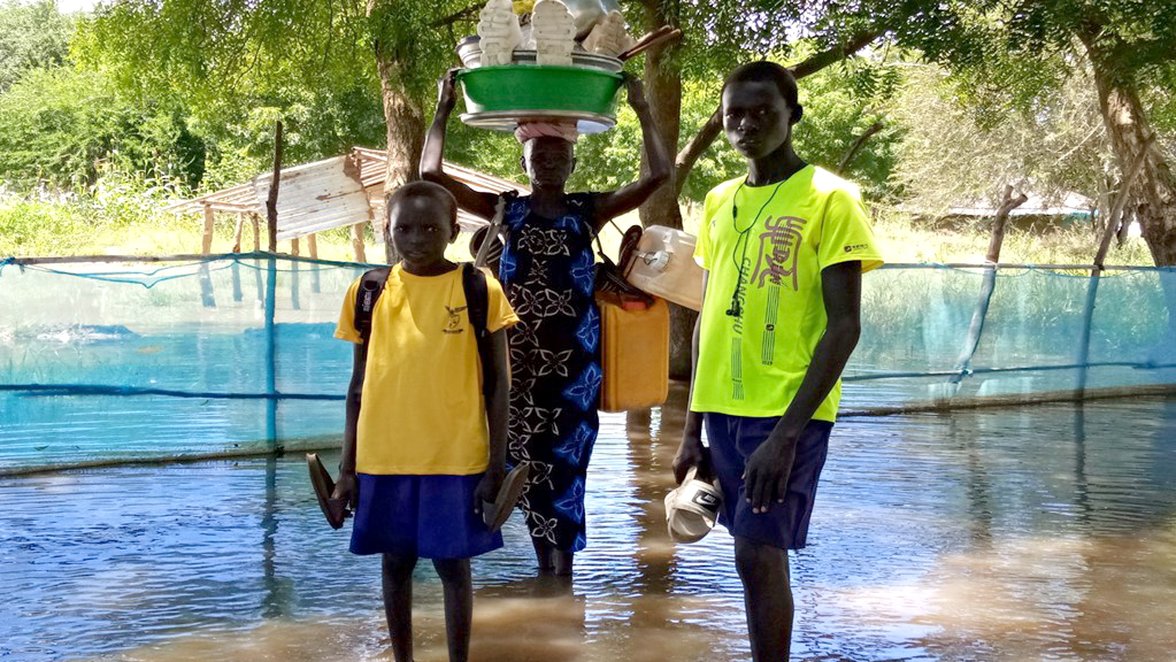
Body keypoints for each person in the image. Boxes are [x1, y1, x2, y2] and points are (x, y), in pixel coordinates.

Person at [672, 61, 883, 660]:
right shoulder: (718, 200)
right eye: (735, 111)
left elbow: (845, 325)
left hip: (787, 412)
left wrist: (788, 435)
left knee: (757, 552)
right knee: (745, 548)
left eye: (763, 111)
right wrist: (691, 429)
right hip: (723, 410)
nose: (746, 123)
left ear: (793, 115)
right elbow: (709, 314)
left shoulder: (831, 198)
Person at [421, 69, 670, 576]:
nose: (550, 162)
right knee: (521, 477)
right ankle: (548, 579)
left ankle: (561, 579)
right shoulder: (505, 212)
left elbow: (657, 176)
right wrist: (443, 108)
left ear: (574, 162)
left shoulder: (588, 211)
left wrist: (643, 107)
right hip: (515, 376)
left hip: (574, 377)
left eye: (559, 156)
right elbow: (432, 174)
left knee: (566, 476)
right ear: (523, 161)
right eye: (540, 156)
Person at [331, 181, 519, 662]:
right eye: (404, 229)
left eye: (431, 228)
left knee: (453, 567)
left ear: (454, 231)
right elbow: (357, 389)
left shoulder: (477, 287)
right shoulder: (369, 291)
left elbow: (499, 385)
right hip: (384, 458)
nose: (416, 238)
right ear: (388, 232)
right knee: (395, 564)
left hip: (457, 459)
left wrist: (495, 467)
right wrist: (347, 470)